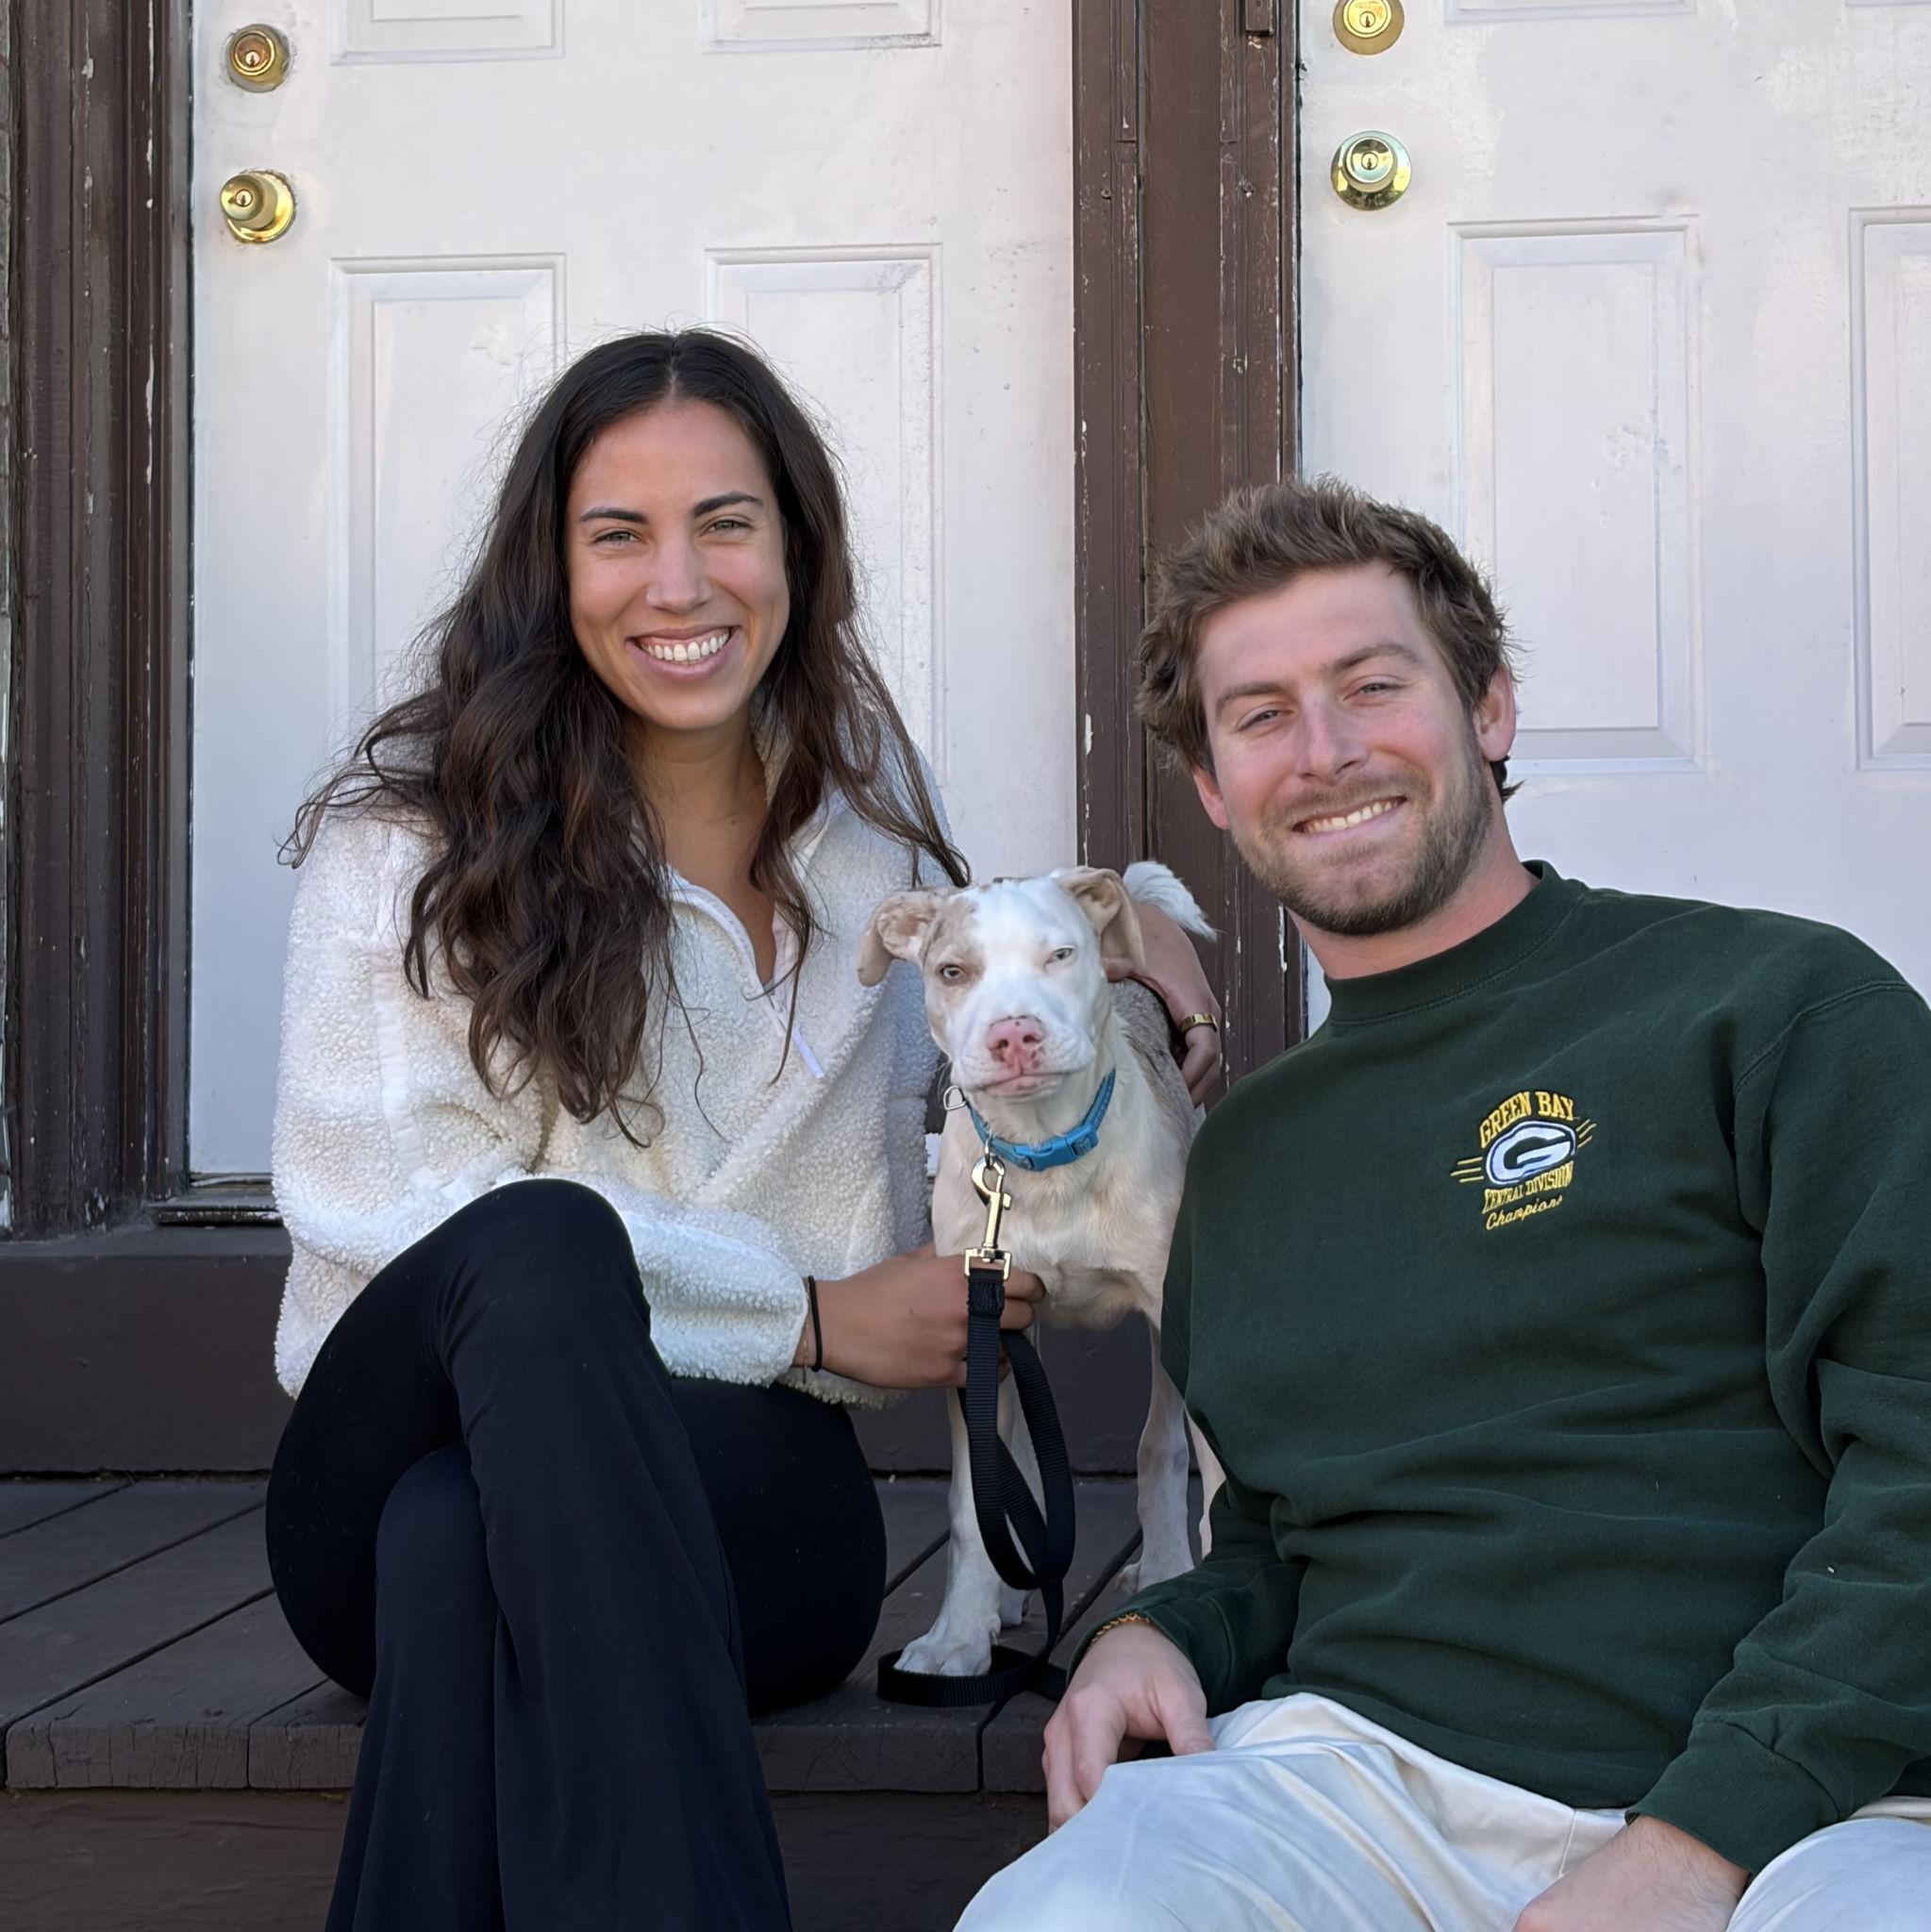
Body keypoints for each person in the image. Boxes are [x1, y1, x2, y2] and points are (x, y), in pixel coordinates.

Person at [261, 328, 1222, 1932]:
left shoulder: (868, 830)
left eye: (725, 523)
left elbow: (994, 966)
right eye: (617, 533)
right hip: (392, 1456)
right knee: (521, 1276)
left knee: (461, 1549)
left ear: (795, 549)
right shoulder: (409, 840)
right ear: (549, 566)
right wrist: (804, 1315)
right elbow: (383, 1210)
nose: (678, 583)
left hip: (741, 1506)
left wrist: (1132, 936)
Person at [957, 477, 1931, 1931]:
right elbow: (1279, 1539)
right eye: (1263, 715)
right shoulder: (1250, 1154)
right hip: (1365, 1783)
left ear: (1489, 708)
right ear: (1216, 789)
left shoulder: (1774, 1008)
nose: (1326, 750)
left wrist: (1702, 1840)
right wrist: (1164, 1630)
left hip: (1820, 1811)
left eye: (1373, 686)